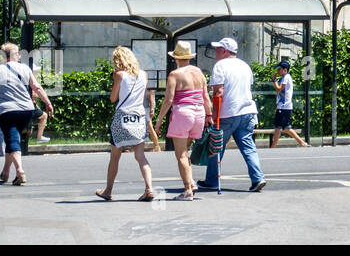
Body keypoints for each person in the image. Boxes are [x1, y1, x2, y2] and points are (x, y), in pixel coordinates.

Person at [198, 38, 265, 192]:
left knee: (216, 146)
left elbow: (218, 92)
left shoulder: (220, 66)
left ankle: (212, 180)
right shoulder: (245, 66)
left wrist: (214, 115)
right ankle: (258, 178)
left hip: (228, 113)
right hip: (247, 111)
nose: (216, 51)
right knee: (248, 146)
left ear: (225, 50)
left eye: (218, 48)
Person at [0, 42, 54, 186]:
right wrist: (48, 103)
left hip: (7, 111)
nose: (19, 55)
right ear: (13, 55)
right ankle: (5, 172)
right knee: (12, 138)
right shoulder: (24, 68)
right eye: (17, 53)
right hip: (27, 111)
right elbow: (37, 87)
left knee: (12, 139)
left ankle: (20, 171)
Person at [95, 47, 156, 202]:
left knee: (115, 157)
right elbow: (141, 96)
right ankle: (149, 188)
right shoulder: (144, 75)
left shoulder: (119, 75)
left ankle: (108, 190)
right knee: (140, 156)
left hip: (123, 116)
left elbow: (113, 98)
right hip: (139, 117)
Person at [155, 41, 212, 200]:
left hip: (183, 113)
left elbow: (169, 99)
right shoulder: (199, 72)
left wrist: (159, 120)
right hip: (199, 112)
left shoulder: (175, 74)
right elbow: (205, 96)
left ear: (176, 58)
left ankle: (187, 190)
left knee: (180, 154)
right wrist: (209, 115)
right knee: (185, 150)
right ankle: (191, 182)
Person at [269, 60, 307, 148]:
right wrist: (277, 105)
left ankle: (273, 147)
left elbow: (279, 89)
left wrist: (274, 80)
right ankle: (302, 143)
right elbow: (281, 93)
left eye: (279, 69)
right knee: (283, 128)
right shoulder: (283, 78)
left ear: (285, 70)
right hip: (282, 107)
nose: (277, 71)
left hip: (284, 107)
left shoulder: (286, 77)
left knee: (281, 128)